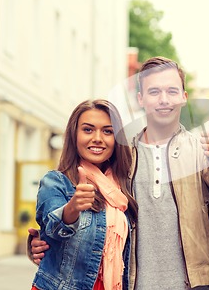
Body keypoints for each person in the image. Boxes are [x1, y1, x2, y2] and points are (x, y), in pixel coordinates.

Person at [30, 57, 209, 290]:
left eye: (171, 91)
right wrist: (42, 241)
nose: (163, 99)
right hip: (132, 282)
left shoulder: (200, 147)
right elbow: (86, 210)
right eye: (154, 91)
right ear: (141, 99)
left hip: (192, 283)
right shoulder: (123, 154)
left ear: (183, 97)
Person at [30, 99, 138, 290]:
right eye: (88, 129)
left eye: (107, 131)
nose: (98, 138)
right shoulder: (56, 182)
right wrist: (73, 207)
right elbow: (52, 228)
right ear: (74, 135)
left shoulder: (124, 188)